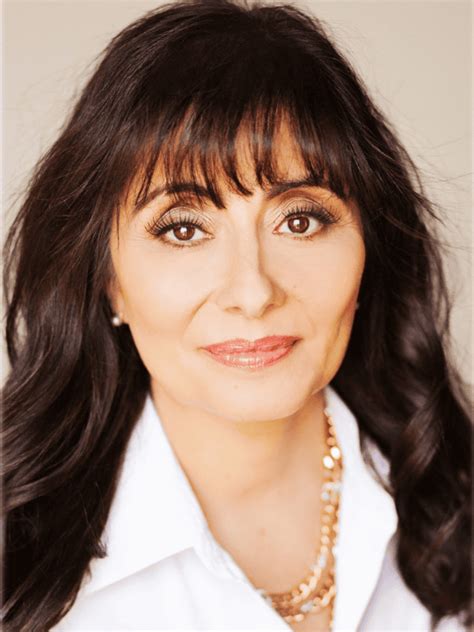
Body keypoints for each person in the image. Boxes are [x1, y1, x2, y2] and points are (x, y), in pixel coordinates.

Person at [2, 0, 471, 630]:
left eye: (299, 221)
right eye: (184, 229)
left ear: (369, 250)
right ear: (108, 282)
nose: (253, 292)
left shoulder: (457, 499)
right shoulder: (20, 577)